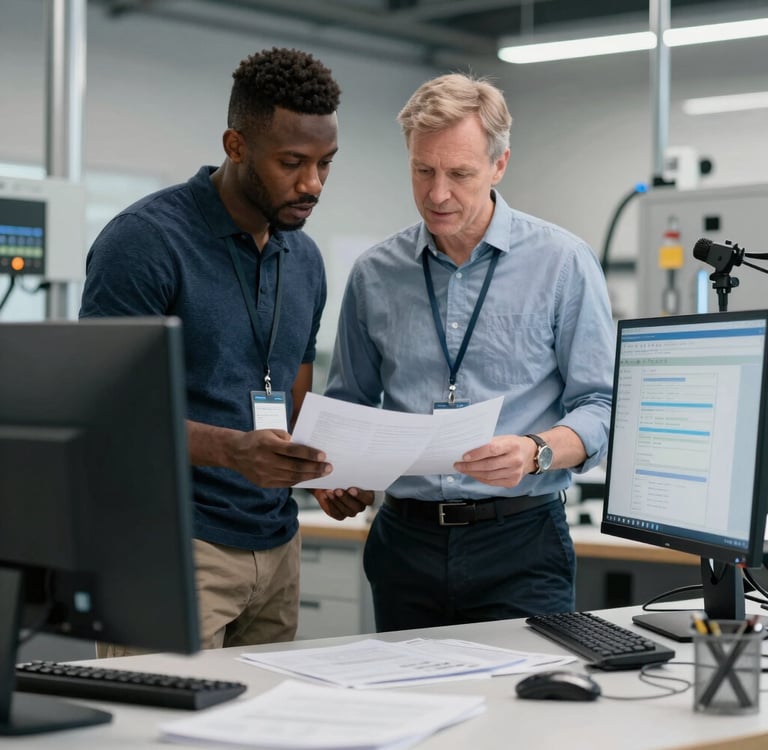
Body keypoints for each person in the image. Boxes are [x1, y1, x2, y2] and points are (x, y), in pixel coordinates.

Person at [80, 47, 366, 654]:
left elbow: (294, 383)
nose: (312, 184)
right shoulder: (145, 243)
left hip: (276, 544)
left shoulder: (304, 257)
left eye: (326, 164)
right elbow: (105, 417)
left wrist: (317, 465)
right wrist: (233, 450)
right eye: (292, 163)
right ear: (236, 146)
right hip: (172, 546)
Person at [320, 72, 615, 632]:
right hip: (404, 544)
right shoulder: (374, 274)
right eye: (422, 170)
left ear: (499, 166)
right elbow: (350, 405)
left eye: (459, 174)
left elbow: (603, 403)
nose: (437, 194)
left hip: (521, 542)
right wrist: (342, 475)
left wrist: (537, 451)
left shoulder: (562, 262)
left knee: (523, 709)